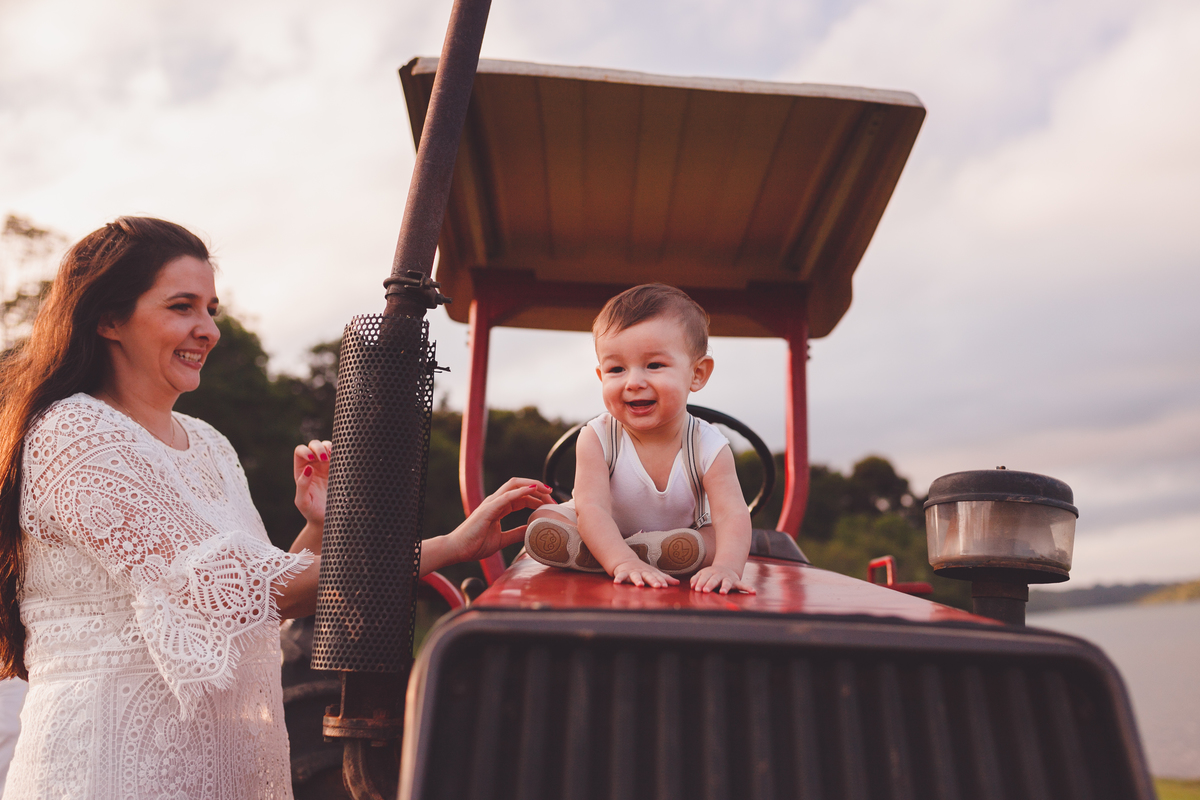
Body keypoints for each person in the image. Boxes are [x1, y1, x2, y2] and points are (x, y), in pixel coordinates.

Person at [0, 217, 551, 799]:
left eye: (211, 309)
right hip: (113, 773)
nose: (207, 330)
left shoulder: (207, 443)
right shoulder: (76, 433)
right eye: (182, 307)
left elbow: (257, 603)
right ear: (109, 318)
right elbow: (231, 588)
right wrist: (451, 547)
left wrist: (316, 527)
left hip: (223, 772)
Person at [524, 284, 755, 595]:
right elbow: (593, 510)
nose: (633, 382)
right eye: (616, 369)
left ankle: (618, 554)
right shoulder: (596, 437)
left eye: (654, 365)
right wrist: (622, 562)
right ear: (601, 376)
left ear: (697, 373)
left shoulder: (708, 445)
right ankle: (612, 552)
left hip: (680, 535)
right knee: (544, 518)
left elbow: (732, 513)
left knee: (714, 539)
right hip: (599, 524)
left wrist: (727, 566)